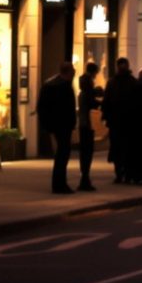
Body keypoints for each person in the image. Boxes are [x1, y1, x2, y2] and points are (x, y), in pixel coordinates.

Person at [39, 63, 77, 194]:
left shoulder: (50, 84)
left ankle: (59, 183)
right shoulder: (63, 86)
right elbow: (68, 108)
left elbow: (41, 107)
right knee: (63, 154)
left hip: (56, 124)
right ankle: (60, 184)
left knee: (61, 154)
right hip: (62, 124)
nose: (74, 73)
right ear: (69, 72)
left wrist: (46, 124)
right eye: (73, 71)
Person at [76, 61, 103, 191]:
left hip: (83, 123)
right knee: (87, 152)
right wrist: (100, 102)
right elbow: (92, 103)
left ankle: (84, 178)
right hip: (86, 123)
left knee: (85, 153)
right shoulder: (87, 90)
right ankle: (84, 179)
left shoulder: (83, 90)